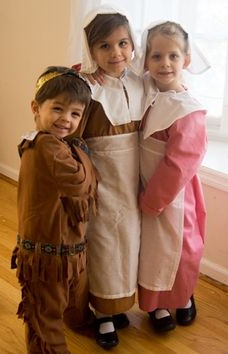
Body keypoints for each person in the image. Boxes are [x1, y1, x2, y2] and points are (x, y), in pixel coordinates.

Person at [72, 4, 145, 349]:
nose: (116, 53)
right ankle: (101, 312)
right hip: (103, 179)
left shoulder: (140, 80)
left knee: (128, 245)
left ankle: (118, 304)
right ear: (90, 51)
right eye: (104, 46)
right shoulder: (86, 86)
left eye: (122, 43)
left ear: (132, 45)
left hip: (133, 180)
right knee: (102, 246)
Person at [11, 66, 98, 354]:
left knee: (71, 297)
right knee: (45, 315)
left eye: (75, 114)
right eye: (58, 108)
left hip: (66, 247)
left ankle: (79, 322)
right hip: (48, 251)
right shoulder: (47, 145)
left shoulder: (59, 143)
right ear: (36, 107)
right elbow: (80, 184)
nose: (66, 119)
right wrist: (84, 152)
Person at [138, 21, 208, 332]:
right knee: (152, 249)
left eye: (173, 56)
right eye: (156, 56)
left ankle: (182, 296)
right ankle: (157, 304)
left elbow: (180, 163)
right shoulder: (144, 89)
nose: (164, 64)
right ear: (146, 60)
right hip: (145, 183)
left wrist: (154, 201)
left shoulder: (187, 109)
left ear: (186, 61)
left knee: (182, 247)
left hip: (174, 194)